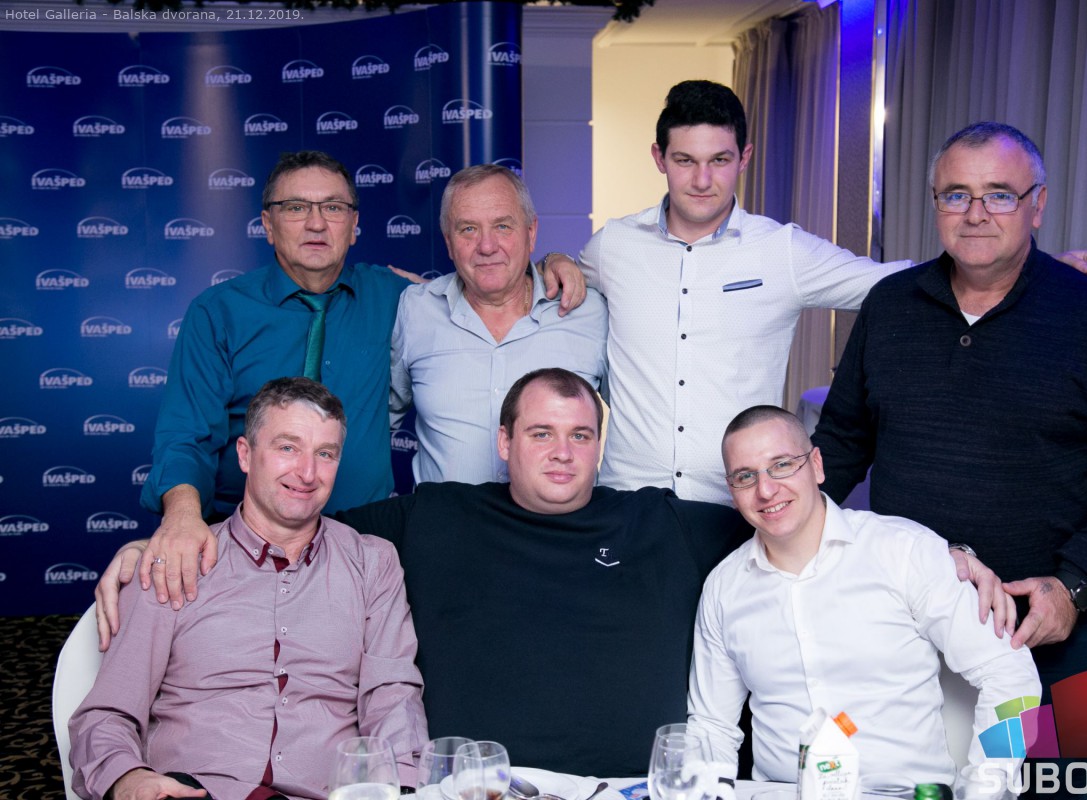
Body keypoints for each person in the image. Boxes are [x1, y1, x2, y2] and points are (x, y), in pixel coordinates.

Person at [98, 368, 751, 778]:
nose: (561, 453)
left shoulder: (662, 520)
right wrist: (165, 536)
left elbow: (780, 524)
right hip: (480, 787)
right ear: (504, 442)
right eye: (540, 433)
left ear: (600, 446)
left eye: (580, 435)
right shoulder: (434, 516)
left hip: (635, 787)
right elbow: (289, 515)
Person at [544, 80, 1087, 506]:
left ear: (744, 158)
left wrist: (1032, 265)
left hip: (736, 505)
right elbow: (549, 285)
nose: (701, 180)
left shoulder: (783, 252)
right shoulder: (612, 247)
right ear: (659, 158)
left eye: (719, 160)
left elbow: (894, 281)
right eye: (684, 161)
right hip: (624, 498)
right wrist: (555, 259)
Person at [124, 154, 586, 633]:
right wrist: (182, 518)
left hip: (359, 546)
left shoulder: (400, 299)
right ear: (267, 224)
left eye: (334, 207)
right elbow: (185, 434)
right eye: (296, 207)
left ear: (354, 225)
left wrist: (554, 264)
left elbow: (484, 279)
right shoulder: (218, 312)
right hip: (244, 544)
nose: (317, 223)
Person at [811, 122, 1087, 699]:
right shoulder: (890, 306)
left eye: (1000, 195)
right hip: (905, 625)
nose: (976, 214)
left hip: (1053, 633)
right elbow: (840, 443)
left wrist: (1073, 587)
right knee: (881, 761)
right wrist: (784, 529)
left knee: (1054, 761)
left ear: (1038, 205)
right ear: (936, 203)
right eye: (956, 194)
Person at [71, 377, 427, 800]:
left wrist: (406, 789)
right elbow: (107, 714)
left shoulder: (372, 563)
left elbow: (391, 696)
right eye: (287, 448)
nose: (307, 473)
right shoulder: (173, 561)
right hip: (198, 790)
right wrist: (128, 778)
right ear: (245, 454)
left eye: (325, 454)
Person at [688, 406, 1041, 797]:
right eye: (745, 476)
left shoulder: (903, 552)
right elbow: (712, 728)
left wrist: (985, 788)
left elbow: (1011, 675)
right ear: (732, 491)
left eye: (782, 465)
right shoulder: (724, 589)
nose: (766, 490)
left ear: (817, 465)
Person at [390, 164, 608, 484]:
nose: (487, 246)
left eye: (503, 226)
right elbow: (376, 420)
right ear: (448, 242)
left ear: (531, 233)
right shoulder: (415, 310)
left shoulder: (589, 312)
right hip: (446, 516)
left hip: (563, 517)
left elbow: (636, 421)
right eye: (468, 229)